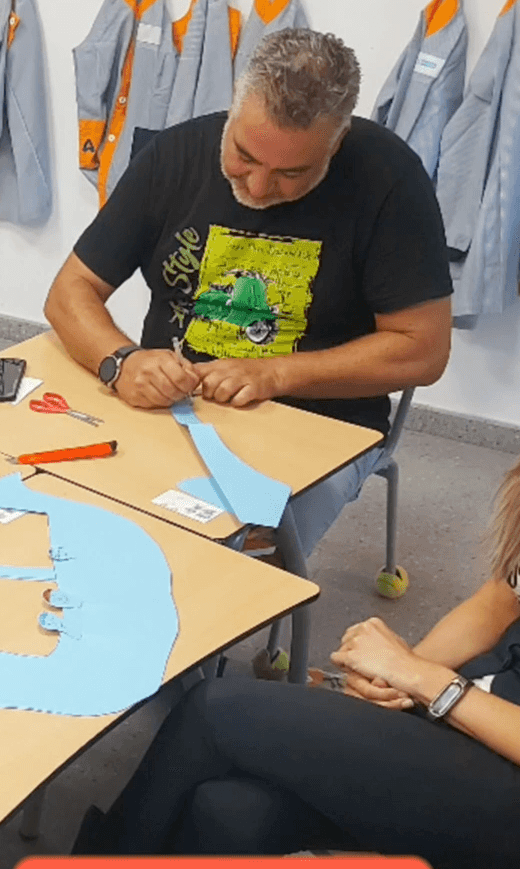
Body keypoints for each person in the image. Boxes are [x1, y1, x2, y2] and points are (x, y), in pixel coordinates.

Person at [73, 188, 520, 869]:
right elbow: (501, 602)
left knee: (215, 711)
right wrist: (397, 675)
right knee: (229, 812)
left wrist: (430, 684)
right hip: (496, 718)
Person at [43, 28, 452, 563]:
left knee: (234, 563)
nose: (257, 188)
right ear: (234, 107)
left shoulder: (389, 180)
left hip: (318, 424)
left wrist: (275, 374)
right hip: (170, 407)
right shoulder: (175, 155)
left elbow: (424, 350)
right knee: (70, 520)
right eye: (244, 156)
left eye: (293, 173)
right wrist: (121, 362)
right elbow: (70, 292)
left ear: (337, 141)